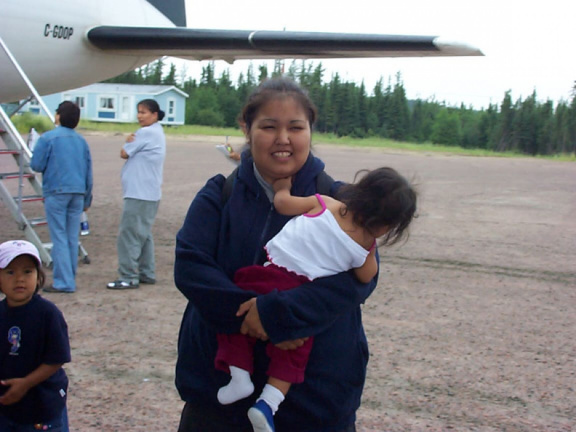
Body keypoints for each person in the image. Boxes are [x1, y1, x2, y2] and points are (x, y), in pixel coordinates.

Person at [174, 77, 393, 431]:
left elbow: (359, 282)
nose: (283, 139)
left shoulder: (342, 202)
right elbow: (191, 267)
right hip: (217, 399)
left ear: (310, 130)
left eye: (295, 127)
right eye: (269, 126)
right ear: (246, 128)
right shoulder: (220, 194)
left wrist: (278, 316)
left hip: (313, 401)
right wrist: (252, 314)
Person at [215, 168, 417, 431]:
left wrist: (283, 187)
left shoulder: (326, 203)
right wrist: (367, 243)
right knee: (296, 350)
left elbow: (283, 204)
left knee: (239, 313)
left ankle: (239, 374)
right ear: (389, 227)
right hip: (301, 294)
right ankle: (268, 403)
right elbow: (368, 277)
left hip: (267, 275)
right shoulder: (365, 250)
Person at [0, 240, 71, 431]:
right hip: (7, 408)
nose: (19, 279)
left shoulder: (47, 314)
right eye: (10, 272)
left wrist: (26, 383)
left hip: (42, 405)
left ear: (38, 276)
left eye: (27, 271)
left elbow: (57, 358)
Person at [31, 101, 93, 294]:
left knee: (58, 236)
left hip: (57, 190)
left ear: (58, 116)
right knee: (71, 236)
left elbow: (37, 165)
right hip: (78, 191)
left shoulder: (47, 138)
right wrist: (87, 199)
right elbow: (88, 171)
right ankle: (69, 275)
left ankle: (64, 281)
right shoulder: (81, 141)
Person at [107, 99, 166, 290]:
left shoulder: (146, 132)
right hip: (149, 192)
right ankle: (146, 272)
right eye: (138, 112)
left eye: (144, 112)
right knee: (143, 233)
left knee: (129, 234)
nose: (140, 116)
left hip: (139, 193)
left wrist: (127, 141)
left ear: (155, 114)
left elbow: (124, 153)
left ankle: (128, 276)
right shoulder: (157, 131)